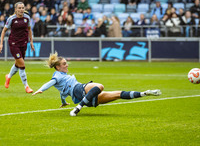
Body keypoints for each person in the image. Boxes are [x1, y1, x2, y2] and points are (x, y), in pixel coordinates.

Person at [32, 52, 162, 116]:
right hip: (79, 89)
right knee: (100, 86)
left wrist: (64, 101)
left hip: (84, 98)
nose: (67, 65)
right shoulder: (57, 76)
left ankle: (145, 93)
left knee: (118, 94)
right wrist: (41, 89)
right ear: (58, 67)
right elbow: (50, 83)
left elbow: (62, 93)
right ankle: (77, 109)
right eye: (64, 64)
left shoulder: (62, 76)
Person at [0, 2, 35, 93]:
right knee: (22, 65)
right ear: (15, 9)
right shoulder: (11, 19)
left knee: (18, 63)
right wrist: (1, 44)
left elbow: (29, 29)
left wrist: (31, 42)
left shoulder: (27, 18)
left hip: (23, 43)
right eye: (19, 8)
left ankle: (8, 77)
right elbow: (4, 31)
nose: (21, 10)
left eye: (22, 8)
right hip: (13, 43)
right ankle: (26, 86)